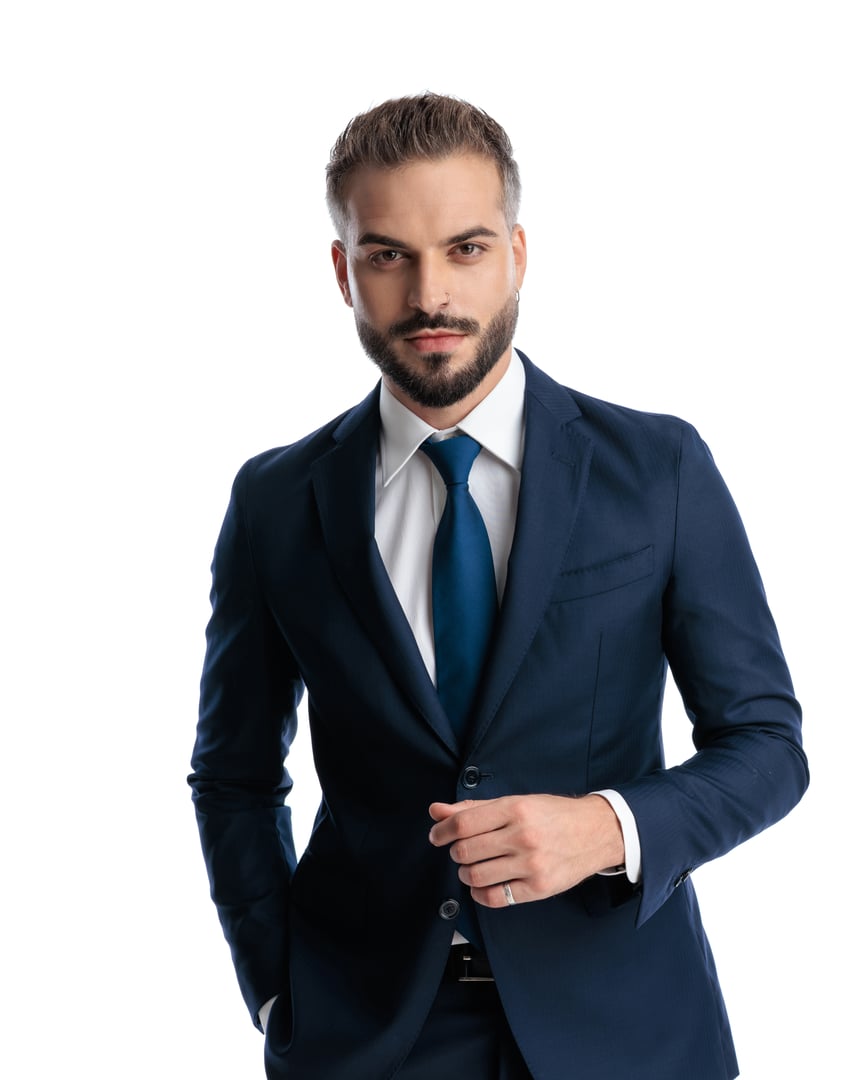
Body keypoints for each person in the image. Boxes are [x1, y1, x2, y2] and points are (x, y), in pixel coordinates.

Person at [189, 93, 808, 1080]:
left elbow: (769, 746)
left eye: (466, 249)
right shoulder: (276, 502)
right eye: (390, 254)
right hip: (369, 1039)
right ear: (345, 271)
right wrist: (277, 986)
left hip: (630, 1031)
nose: (432, 293)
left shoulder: (658, 470)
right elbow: (234, 778)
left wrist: (613, 826)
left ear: (518, 252)